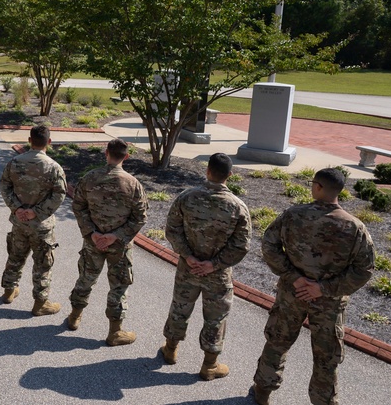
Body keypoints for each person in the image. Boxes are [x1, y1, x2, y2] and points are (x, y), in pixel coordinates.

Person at [251, 168, 375, 405]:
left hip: (292, 294)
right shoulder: (355, 227)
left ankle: (262, 392)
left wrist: (293, 277)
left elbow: (269, 245)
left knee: (277, 342)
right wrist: (324, 289)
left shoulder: (293, 215)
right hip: (329, 304)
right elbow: (364, 270)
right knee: (326, 357)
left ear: (318, 187)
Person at [160, 153, 251, 380]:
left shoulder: (187, 197)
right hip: (217, 275)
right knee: (216, 318)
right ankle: (209, 366)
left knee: (180, 307)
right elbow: (241, 246)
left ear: (207, 171)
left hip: (187, 269)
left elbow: (172, 230)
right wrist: (214, 264)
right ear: (230, 175)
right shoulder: (238, 207)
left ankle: (170, 350)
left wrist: (188, 256)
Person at [66, 138, 148, 345]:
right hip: (119, 246)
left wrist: (92, 233)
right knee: (119, 286)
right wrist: (115, 236)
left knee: (86, 278)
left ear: (106, 153)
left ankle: (74, 317)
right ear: (126, 157)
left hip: (93, 243)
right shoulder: (133, 184)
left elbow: (78, 206)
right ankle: (115, 332)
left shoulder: (89, 178)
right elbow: (140, 217)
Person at [0, 124, 67, 316]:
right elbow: (59, 195)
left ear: (29, 141)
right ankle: (40, 303)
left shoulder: (15, 162)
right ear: (49, 142)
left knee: (15, 257)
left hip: (19, 223)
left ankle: (9, 292)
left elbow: (5, 186)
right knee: (43, 264)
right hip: (42, 226)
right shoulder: (54, 167)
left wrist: (17, 208)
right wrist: (36, 212)